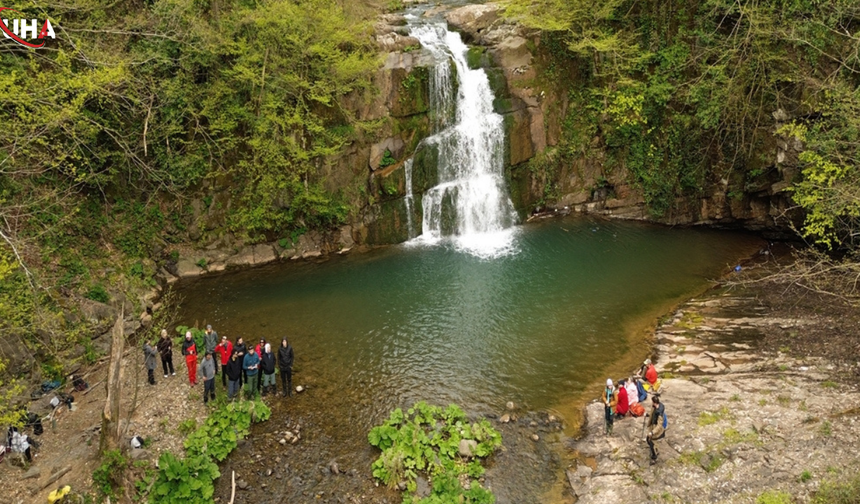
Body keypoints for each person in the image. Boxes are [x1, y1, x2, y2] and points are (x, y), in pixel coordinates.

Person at [646, 395, 667, 465]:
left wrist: (652, 432)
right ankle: (655, 450)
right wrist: (648, 415)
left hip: (657, 430)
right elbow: (652, 415)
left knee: (651, 443)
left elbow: (659, 425)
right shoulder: (654, 407)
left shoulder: (660, 413)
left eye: (652, 402)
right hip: (652, 427)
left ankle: (654, 457)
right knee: (648, 439)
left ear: (654, 402)